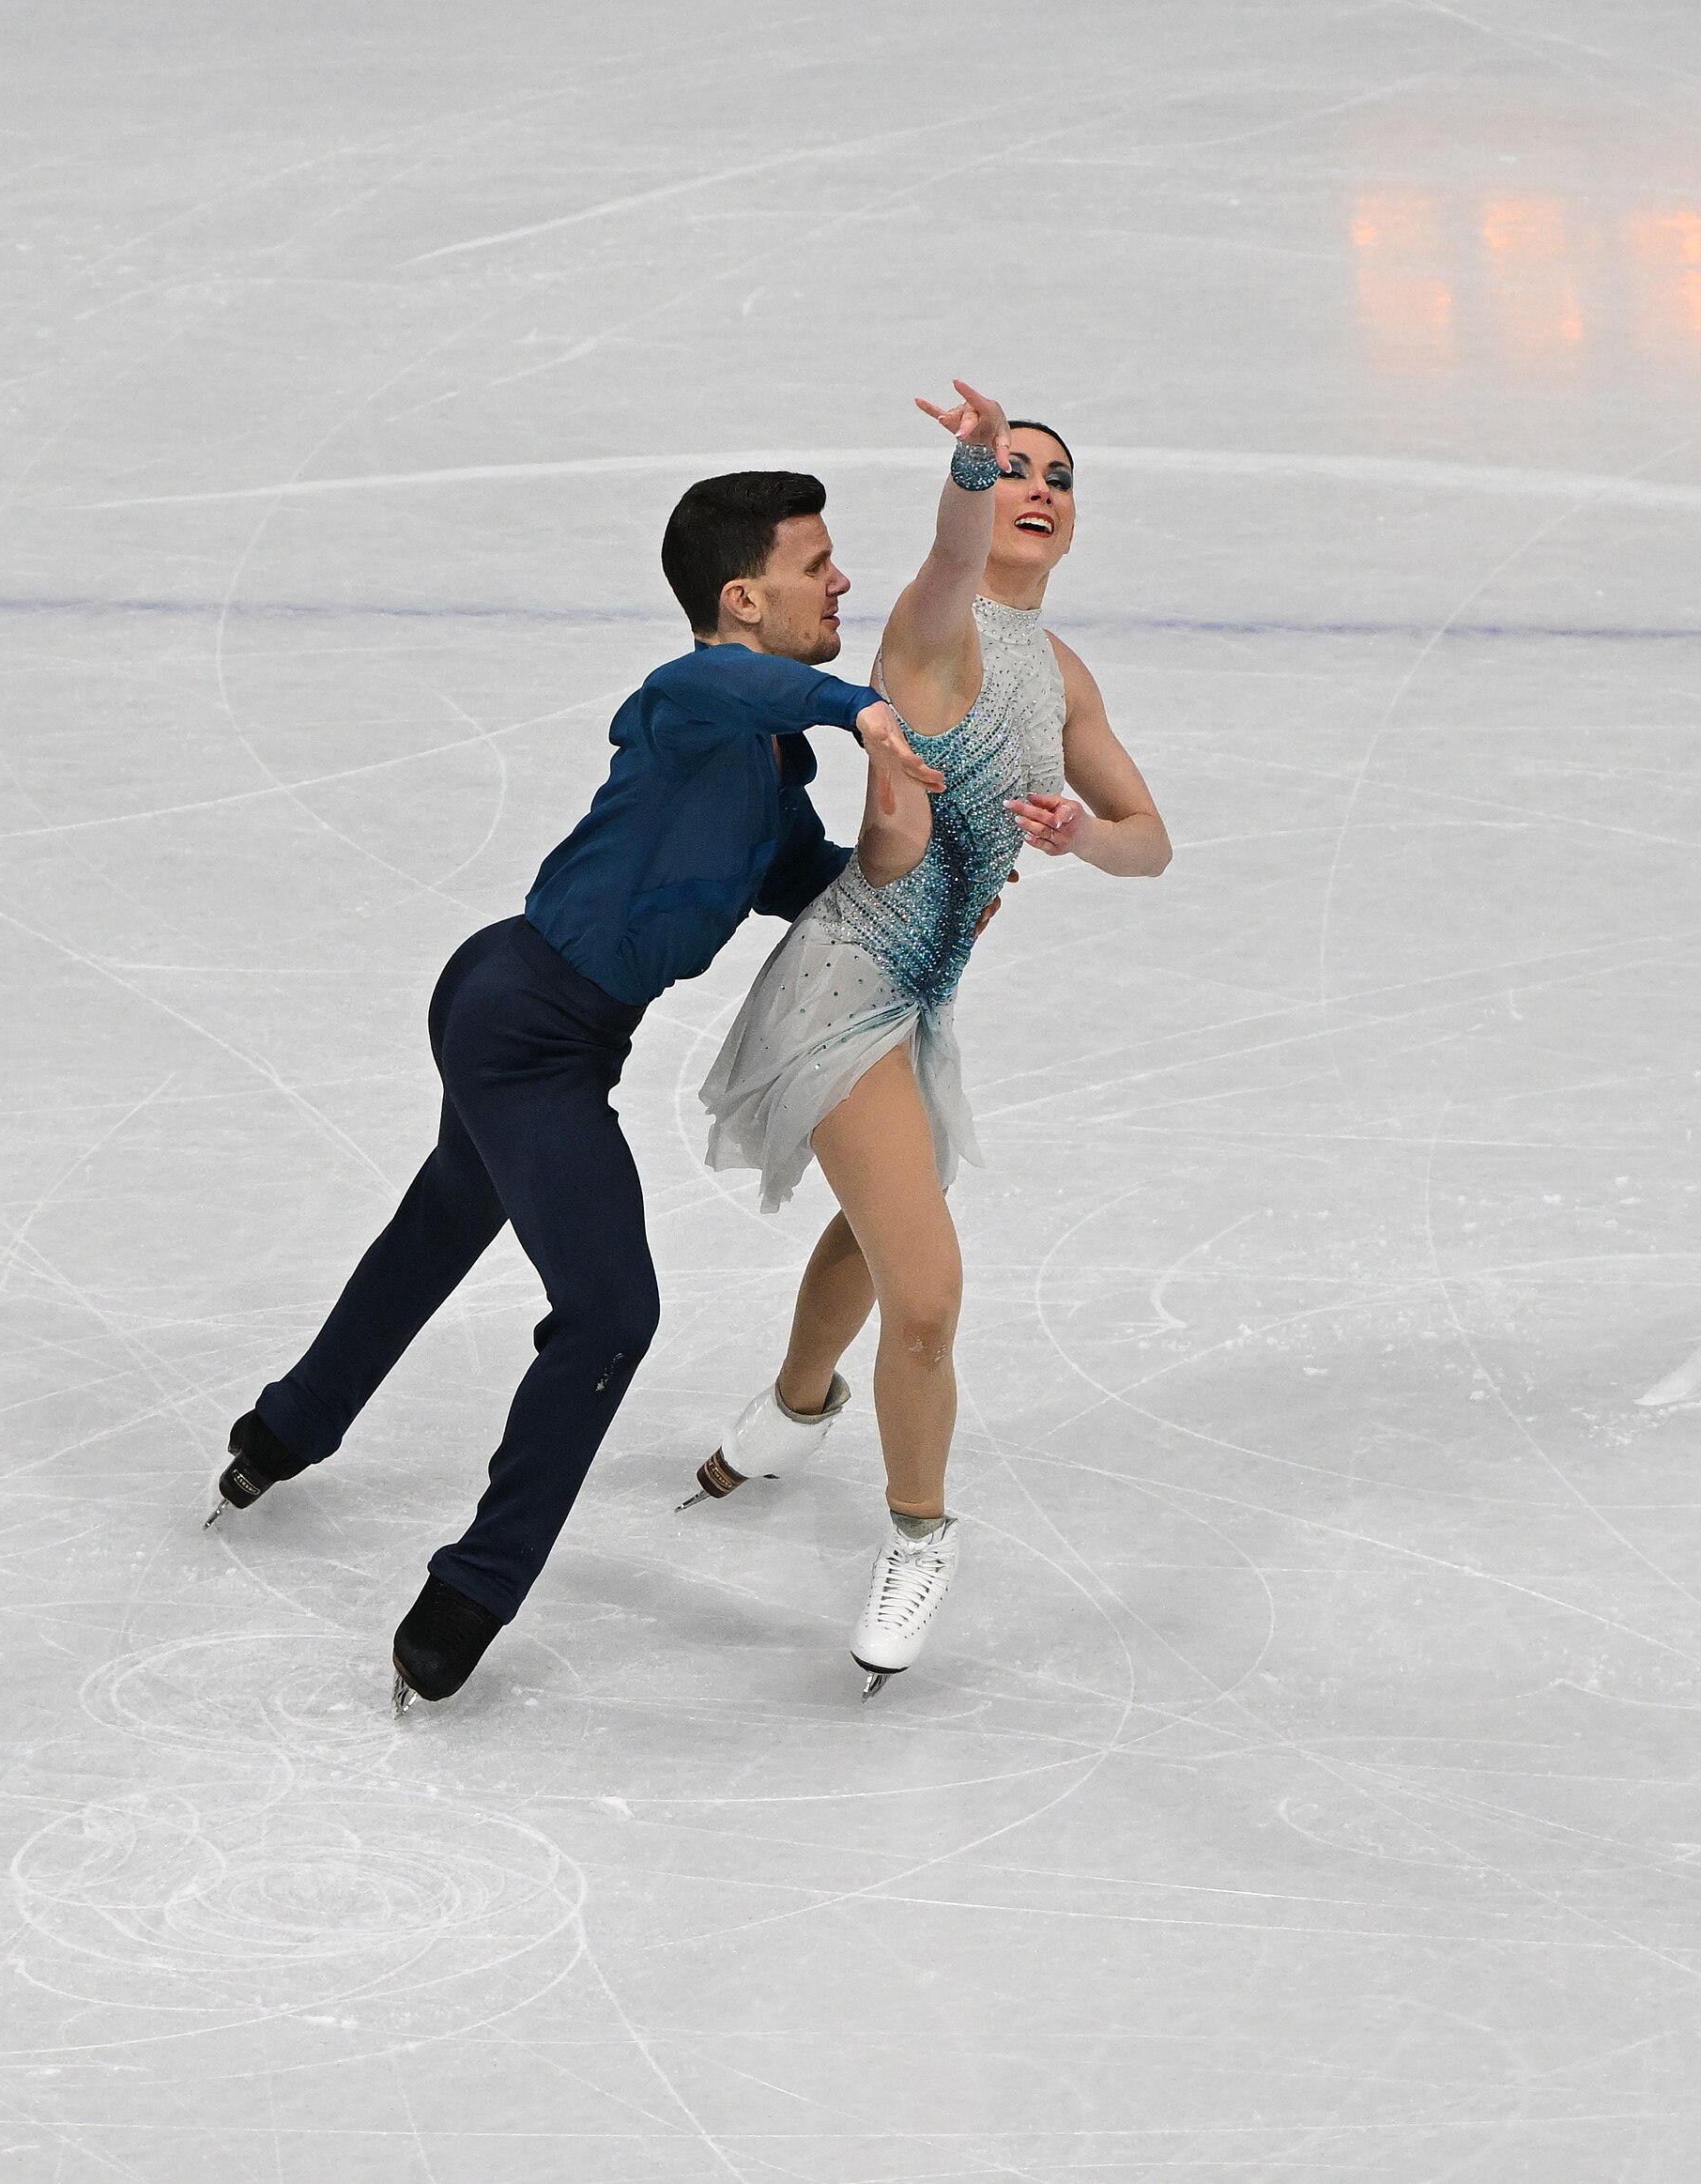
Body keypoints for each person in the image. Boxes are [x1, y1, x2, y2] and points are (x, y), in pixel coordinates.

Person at [208, 469, 945, 1715]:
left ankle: (281, 1431)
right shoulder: (690, 698)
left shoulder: (766, 760)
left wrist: (932, 859)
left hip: (538, 1019)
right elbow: (728, 685)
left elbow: (799, 874)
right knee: (609, 1313)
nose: (843, 583)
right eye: (818, 566)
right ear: (742, 597)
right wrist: (863, 708)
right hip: (522, 1029)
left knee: (447, 1216)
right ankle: (470, 1595)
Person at [694, 383, 1172, 1697]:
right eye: (1016, 468)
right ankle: (920, 1533)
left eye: (1057, 476)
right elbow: (959, 551)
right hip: (846, 979)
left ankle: (792, 1412)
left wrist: (1087, 836)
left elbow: (1154, 839)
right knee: (928, 1290)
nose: (1037, 486)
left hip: (922, 995)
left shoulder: (1062, 672)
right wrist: (966, 462)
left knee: (868, 1233)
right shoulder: (932, 626)